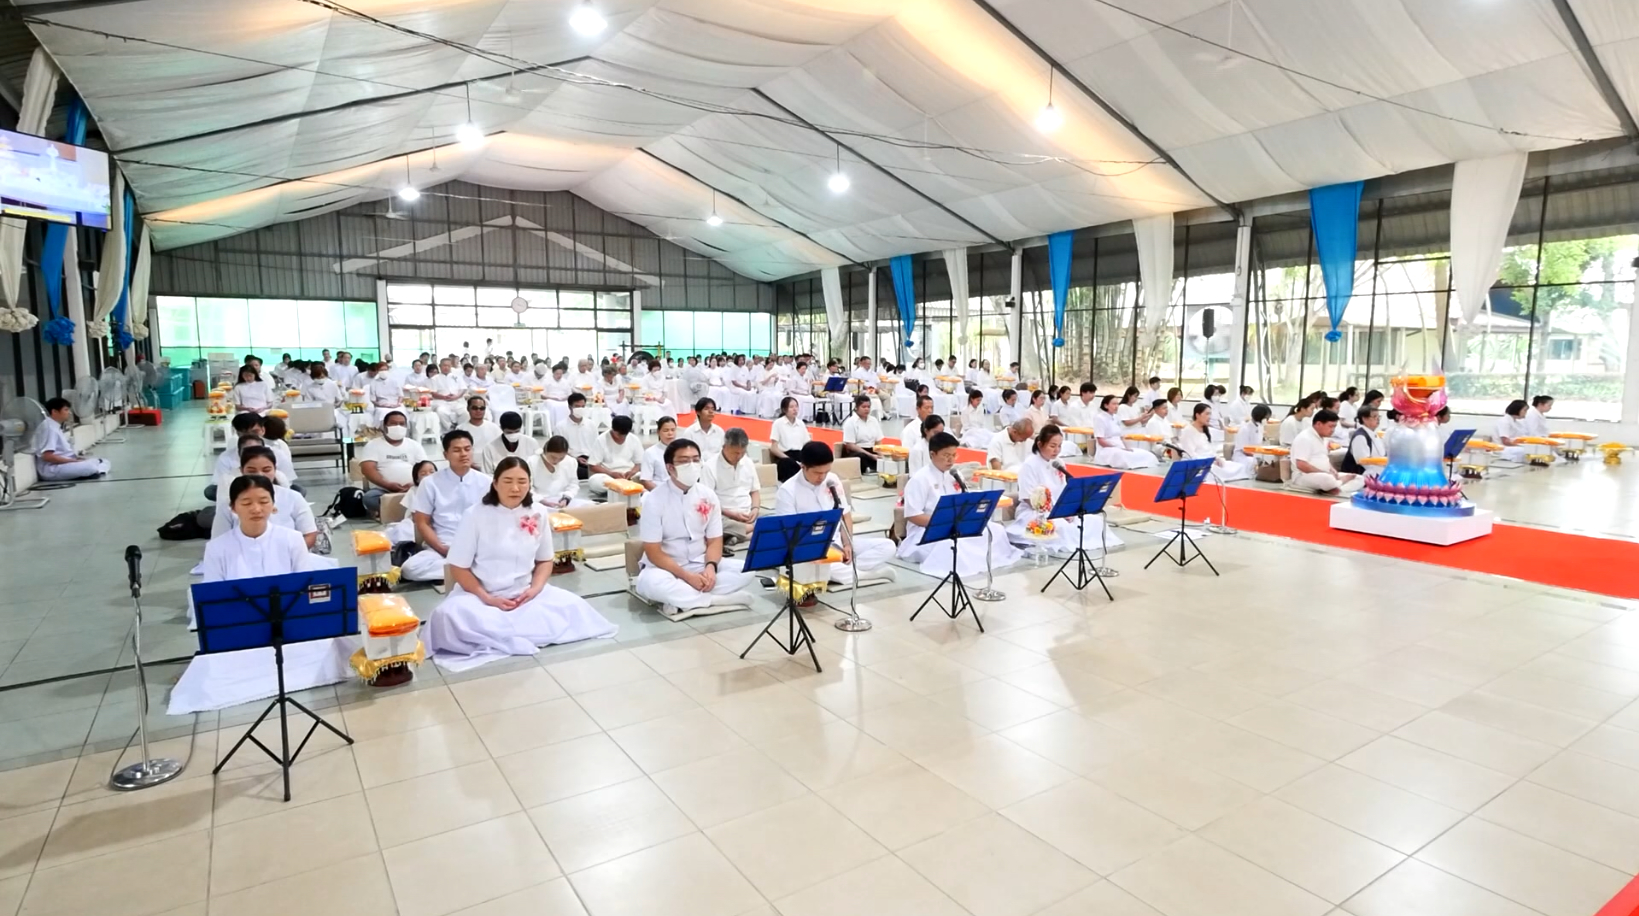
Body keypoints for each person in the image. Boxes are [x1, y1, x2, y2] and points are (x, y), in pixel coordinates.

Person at [170, 476, 346, 713]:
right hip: (242, 630)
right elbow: (214, 599)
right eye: (246, 503)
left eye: (263, 501)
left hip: (289, 628)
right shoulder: (218, 548)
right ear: (233, 508)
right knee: (216, 669)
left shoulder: (292, 539)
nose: (256, 509)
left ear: (273, 505)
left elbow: (302, 590)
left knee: (326, 652)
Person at [425, 457, 617, 671]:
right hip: (481, 597)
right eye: (507, 481)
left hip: (525, 595)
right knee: (446, 616)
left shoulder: (538, 512)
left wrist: (534, 589)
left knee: (574, 606)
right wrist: (487, 597)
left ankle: (504, 633)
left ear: (529, 484)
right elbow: (458, 567)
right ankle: (507, 631)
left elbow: (545, 560)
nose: (515, 488)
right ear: (495, 483)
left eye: (522, 481)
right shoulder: (475, 515)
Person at [633, 439, 755, 620]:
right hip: (665, 567)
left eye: (696, 459)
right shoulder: (654, 500)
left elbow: (714, 541)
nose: (692, 465)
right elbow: (653, 552)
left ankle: (685, 600)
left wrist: (711, 568)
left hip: (700, 562)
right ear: (670, 468)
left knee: (748, 569)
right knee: (649, 583)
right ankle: (718, 600)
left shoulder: (708, 495)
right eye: (684, 461)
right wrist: (687, 577)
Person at [774, 441, 896, 587]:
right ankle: (867, 574)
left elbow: (845, 514)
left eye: (826, 472)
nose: (822, 477)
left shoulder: (832, 480)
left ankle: (846, 571)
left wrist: (847, 544)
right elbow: (789, 532)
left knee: (888, 546)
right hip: (812, 550)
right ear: (803, 467)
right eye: (818, 473)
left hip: (837, 542)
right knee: (819, 566)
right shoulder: (788, 491)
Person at [899, 431, 1021, 576]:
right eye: (946, 455)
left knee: (995, 530)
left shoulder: (954, 475)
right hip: (928, 530)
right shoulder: (919, 479)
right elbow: (914, 516)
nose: (951, 460)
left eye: (954, 455)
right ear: (932, 454)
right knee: (950, 546)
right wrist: (943, 523)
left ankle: (985, 563)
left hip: (956, 526)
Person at [1009, 425, 1120, 553]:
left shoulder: (1059, 463)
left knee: (1094, 521)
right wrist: (1056, 513)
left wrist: (1068, 510)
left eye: (1059, 446)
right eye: (1052, 446)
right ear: (1040, 444)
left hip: (1061, 509)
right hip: (1036, 512)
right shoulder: (1030, 464)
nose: (1057, 450)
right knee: (1061, 527)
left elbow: (1065, 491)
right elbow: (1029, 499)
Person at [400, 430, 491, 582]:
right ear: (445, 455)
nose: (463, 454)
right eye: (456, 450)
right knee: (410, 569)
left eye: (467, 449)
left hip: (477, 546)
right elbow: (422, 522)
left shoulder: (486, 482)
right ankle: (469, 571)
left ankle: (458, 570)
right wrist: (443, 549)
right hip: (443, 545)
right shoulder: (430, 483)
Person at [210, 446, 318, 547]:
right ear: (241, 470)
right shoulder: (230, 503)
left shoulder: (293, 497)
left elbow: (309, 534)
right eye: (251, 471)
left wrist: (288, 555)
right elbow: (218, 541)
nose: (259, 475)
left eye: (266, 470)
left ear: (275, 470)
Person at [358, 411, 428, 517]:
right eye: (393, 423)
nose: (398, 426)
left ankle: (394, 510)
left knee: (433, 494)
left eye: (401, 424)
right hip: (383, 490)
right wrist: (387, 485)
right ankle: (407, 510)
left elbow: (426, 469)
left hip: (413, 488)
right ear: (384, 426)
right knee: (369, 498)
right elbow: (368, 469)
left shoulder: (415, 445)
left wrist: (414, 483)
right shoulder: (373, 445)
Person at [704, 427, 760, 542]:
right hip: (724, 515)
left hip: (747, 514)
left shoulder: (747, 462)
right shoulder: (710, 466)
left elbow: (755, 491)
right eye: (735, 453)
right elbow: (707, 502)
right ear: (724, 447)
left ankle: (738, 535)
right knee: (712, 522)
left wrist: (755, 509)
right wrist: (732, 514)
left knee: (775, 520)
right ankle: (751, 531)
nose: (738, 456)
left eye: (742, 453)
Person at [31, 397, 108, 480]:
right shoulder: (49, 428)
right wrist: (73, 461)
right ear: (54, 412)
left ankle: (96, 471)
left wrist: (76, 460)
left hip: (66, 463)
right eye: (66, 410)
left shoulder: (55, 426)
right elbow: (47, 456)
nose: (69, 413)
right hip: (53, 468)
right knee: (90, 467)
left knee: (103, 461)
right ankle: (94, 471)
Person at [1290, 409, 1361, 495]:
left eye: (1334, 427)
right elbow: (1301, 465)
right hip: (1304, 476)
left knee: (1360, 478)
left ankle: (1336, 489)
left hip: (1325, 473)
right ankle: (1338, 485)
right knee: (1327, 479)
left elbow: (1324, 458)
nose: (1333, 430)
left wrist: (1332, 470)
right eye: (1330, 426)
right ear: (1319, 424)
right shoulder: (1305, 438)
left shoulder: (1324, 438)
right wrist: (1325, 473)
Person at [1175, 403, 1249, 482]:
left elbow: (1210, 449)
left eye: (1210, 414)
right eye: (1207, 414)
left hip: (1209, 460)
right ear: (1197, 415)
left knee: (1239, 467)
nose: (1209, 417)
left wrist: (1217, 458)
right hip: (1196, 463)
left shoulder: (1206, 430)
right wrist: (1209, 462)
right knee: (1212, 470)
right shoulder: (1188, 431)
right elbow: (1190, 454)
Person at [1092, 394, 1158, 469]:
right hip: (1106, 449)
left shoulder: (1116, 417)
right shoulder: (1100, 418)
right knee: (1124, 457)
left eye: (1117, 404)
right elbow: (1101, 441)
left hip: (1120, 447)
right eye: (1114, 404)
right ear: (1106, 405)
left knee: (1146, 454)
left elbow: (1121, 437)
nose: (1116, 406)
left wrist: (1127, 448)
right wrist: (1116, 447)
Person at [589, 414, 645, 493]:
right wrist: (611, 473)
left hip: (629, 476)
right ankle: (625, 488)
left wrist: (633, 471)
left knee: (644, 476)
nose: (622, 437)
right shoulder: (601, 440)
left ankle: (625, 487)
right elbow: (593, 466)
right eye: (619, 435)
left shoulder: (634, 439)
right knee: (595, 480)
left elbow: (639, 462)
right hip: (609, 476)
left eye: (625, 435)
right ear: (613, 429)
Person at [479, 410, 542, 474]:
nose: (513, 435)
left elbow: (537, 468)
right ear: (501, 428)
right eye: (509, 432)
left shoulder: (531, 443)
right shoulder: (490, 448)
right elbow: (487, 474)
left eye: (517, 431)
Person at [769, 396, 811, 481]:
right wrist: (788, 458)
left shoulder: (801, 423)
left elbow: (807, 444)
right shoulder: (778, 423)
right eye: (791, 407)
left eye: (796, 406)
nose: (795, 409)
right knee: (788, 464)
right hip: (785, 457)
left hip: (799, 455)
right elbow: (774, 448)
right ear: (784, 409)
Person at [840, 395, 884, 475]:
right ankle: (869, 468)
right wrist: (870, 455)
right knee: (861, 457)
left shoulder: (873, 420)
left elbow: (878, 442)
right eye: (863, 407)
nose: (866, 409)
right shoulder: (850, 422)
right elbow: (851, 445)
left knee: (887, 456)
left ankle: (875, 467)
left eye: (868, 407)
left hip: (872, 450)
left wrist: (882, 455)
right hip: (857, 451)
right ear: (856, 407)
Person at [1340, 406, 1386, 475]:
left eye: (1378, 416)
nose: (1378, 419)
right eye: (1374, 417)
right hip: (1360, 473)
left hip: (1377, 468)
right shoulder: (1360, 437)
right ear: (1364, 419)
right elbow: (1363, 462)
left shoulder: (1374, 433)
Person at [640, 416, 679, 490]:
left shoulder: (682, 449)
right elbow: (646, 480)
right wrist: (661, 493)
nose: (670, 433)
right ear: (658, 432)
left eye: (673, 430)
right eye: (666, 430)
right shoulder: (650, 453)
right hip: (660, 490)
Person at [1232, 404, 1271, 473]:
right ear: (1260, 417)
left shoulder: (1259, 427)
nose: (1267, 420)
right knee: (1252, 462)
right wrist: (1258, 456)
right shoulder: (1245, 429)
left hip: (1256, 453)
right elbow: (1245, 450)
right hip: (1242, 456)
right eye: (1266, 418)